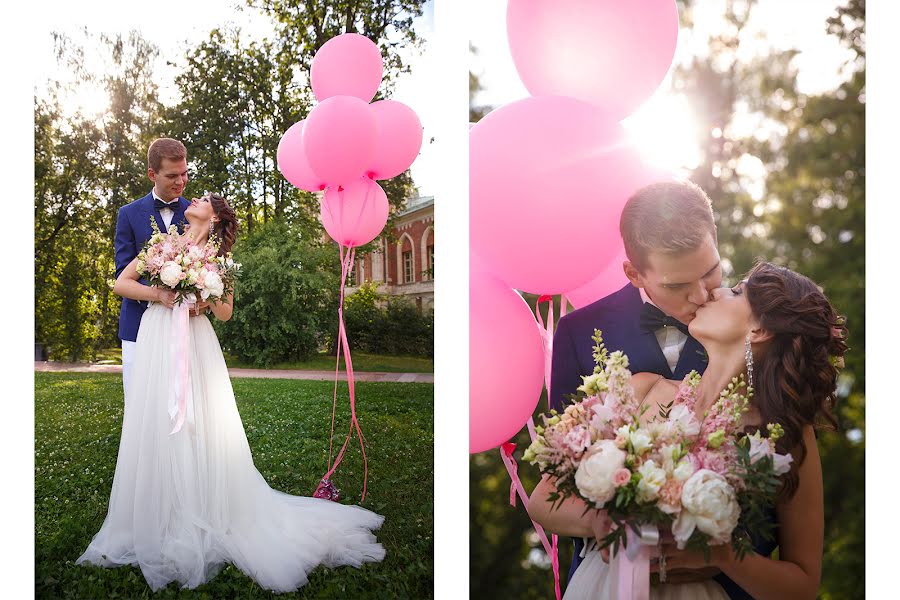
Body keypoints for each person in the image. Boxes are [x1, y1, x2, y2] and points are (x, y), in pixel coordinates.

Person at [77, 193, 385, 592]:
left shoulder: (219, 260)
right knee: (155, 416)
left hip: (195, 343)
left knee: (198, 423)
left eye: (204, 199)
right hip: (157, 335)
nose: (195, 197)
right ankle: (158, 509)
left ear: (216, 217)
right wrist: (162, 294)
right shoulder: (163, 242)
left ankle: (200, 504)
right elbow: (121, 282)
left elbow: (226, 312)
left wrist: (203, 297)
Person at [531, 262, 847, 599]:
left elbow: (803, 585)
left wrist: (724, 556)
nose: (718, 290)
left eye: (738, 292)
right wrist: (598, 521)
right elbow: (541, 501)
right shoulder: (642, 389)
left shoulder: (783, 436)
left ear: (758, 330)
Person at [549, 180, 723, 582]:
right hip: (615, 572)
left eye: (711, 272)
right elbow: (560, 471)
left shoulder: (751, 325)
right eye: (677, 285)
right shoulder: (579, 332)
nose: (700, 295)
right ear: (634, 273)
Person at [115, 138, 198, 397]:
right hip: (137, 325)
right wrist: (159, 295)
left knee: (182, 403)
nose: (181, 182)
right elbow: (122, 278)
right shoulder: (128, 214)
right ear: (152, 174)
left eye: (184, 173)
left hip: (185, 328)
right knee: (139, 401)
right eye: (172, 175)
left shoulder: (197, 213)